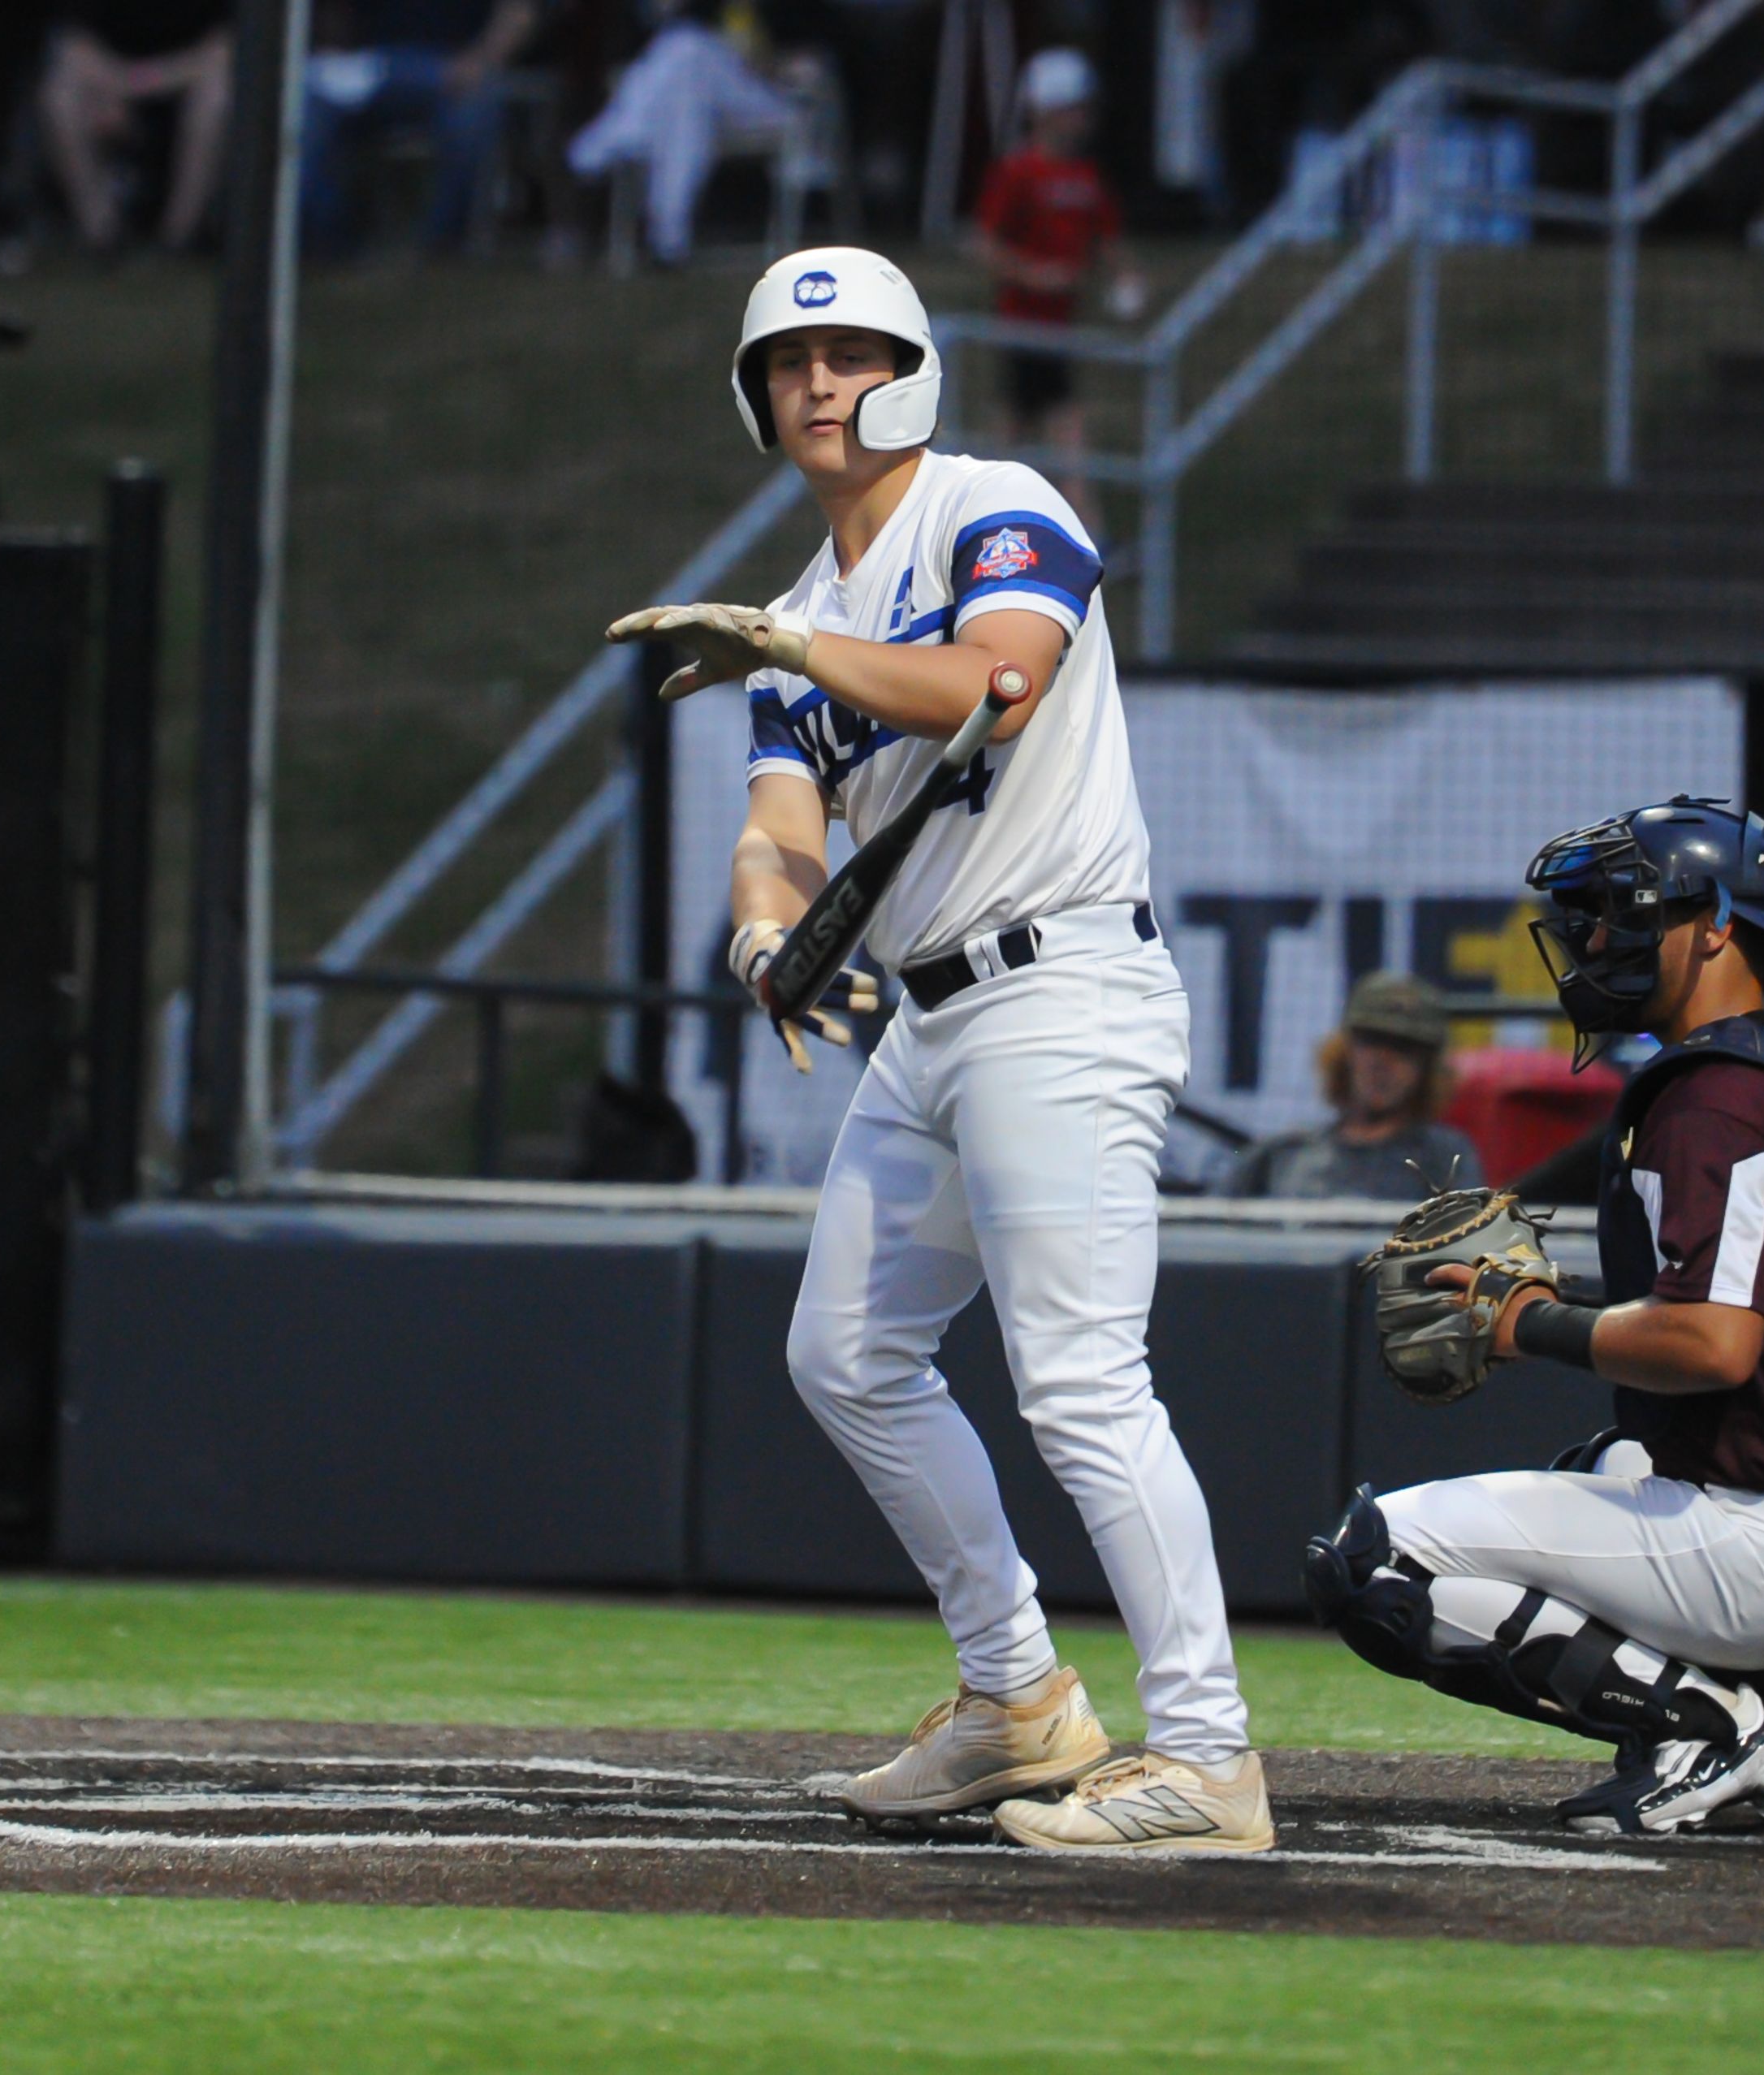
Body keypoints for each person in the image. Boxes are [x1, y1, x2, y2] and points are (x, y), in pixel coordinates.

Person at [604, 248, 1270, 1854]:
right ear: (756, 398)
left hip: (1066, 989)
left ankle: (1210, 1752)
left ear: (910, 366)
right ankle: (1020, 1696)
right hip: (938, 1018)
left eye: (848, 350)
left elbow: (999, 679)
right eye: (788, 359)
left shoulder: (991, 499)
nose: (818, 380)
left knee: (1083, 1383)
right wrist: (763, 926)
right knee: (845, 1351)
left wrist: (784, 642)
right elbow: (776, 833)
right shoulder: (802, 620)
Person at [1303, 800, 1764, 1839]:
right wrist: (1552, 1304)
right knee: (1611, 1457)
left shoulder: (1711, 1098)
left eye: (1623, 913)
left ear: (1712, 923)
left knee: (1369, 1558)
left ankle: (1713, 1726)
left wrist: (1525, 1322)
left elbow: (1711, 1342)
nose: (1595, 941)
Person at [973, 48, 1142, 535]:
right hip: (1022, 327)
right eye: (1075, 108)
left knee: (1054, 435)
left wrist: (1126, 277)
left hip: (1059, 332)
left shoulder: (1087, 177)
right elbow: (985, 244)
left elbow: (1107, 239)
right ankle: (1076, 535)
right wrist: (1035, 275)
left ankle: (1078, 535)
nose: (1084, 119)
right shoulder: (1019, 173)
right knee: (1030, 437)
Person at [564, 0, 795, 269]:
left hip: (767, 104)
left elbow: (803, 58)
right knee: (685, 93)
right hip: (694, 105)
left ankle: (612, 136)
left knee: (688, 47)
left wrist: (766, 61)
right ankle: (669, 243)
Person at [299, 0, 541, 256]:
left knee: (473, 110)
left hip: (454, 67)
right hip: (370, 67)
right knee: (306, 104)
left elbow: (519, 13)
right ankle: (323, 237)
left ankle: (442, 242)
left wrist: (480, 61)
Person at [1222, 971, 1483, 1199]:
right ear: (1344, 1051)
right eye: (1371, 1041)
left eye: (1404, 1048)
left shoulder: (1445, 1161)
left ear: (1427, 1069)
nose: (1383, 1061)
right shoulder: (1281, 1156)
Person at [37, 2, 235, 256]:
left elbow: (221, 51)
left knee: (217, 96)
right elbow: (72, 45)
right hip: (111, 88)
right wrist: (113, 88)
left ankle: (178, 237)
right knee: (60, 97)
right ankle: (102, 234)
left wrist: (143, 81)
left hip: (179, 91)